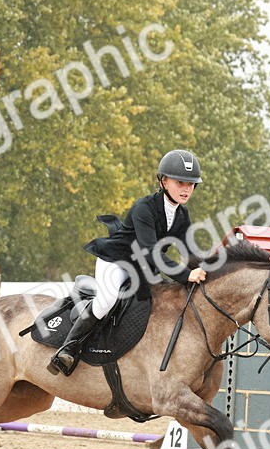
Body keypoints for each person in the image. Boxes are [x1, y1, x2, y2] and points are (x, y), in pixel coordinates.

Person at [48, 149, 209, 375]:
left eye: (191, 184)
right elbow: (151, 250)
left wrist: (209, 268)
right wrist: (184, 275)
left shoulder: (182, 214)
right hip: (116, 262)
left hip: (143, 268)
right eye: (180, 182)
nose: (186, 189)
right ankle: (68, 349)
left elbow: (189, 250)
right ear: (163, 181)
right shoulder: (145, 208)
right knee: (107, 299)